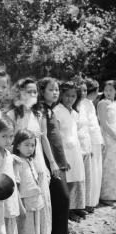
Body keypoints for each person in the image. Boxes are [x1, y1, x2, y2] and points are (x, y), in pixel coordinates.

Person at [7, 78, 54, 234]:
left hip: (39, 162)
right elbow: (8, 142)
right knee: (25, 204)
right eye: (28, 91)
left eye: (35, 92)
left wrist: (52, 163)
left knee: (42, 203)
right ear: (20, 93)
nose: (32, 95)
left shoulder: (39, 114)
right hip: (20, 164)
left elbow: (44, 139)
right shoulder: (12, 115)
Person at [36, 77, 70, 234]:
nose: (55, 92)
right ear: (42, 91)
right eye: (51, 89)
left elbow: (57, 137)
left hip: (58, 158)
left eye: (57, 89)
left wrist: (63, 159)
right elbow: (43, 136)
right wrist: (53, 161)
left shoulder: (52, 109)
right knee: (61, 197)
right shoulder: (42, 109)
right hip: (50, 161)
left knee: (61, 197)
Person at [54, 81, 86, 223]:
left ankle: (70, 210)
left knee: (73, 181)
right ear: (61, 95)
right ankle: (63, 213)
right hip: (64, 151)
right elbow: (57, 135)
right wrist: (61, 157)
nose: (70, 99)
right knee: (65, 183)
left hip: (75, 150)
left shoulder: (74, 112)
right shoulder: (57, 111)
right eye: (67, 95)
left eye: (73, 96)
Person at [13, 129, 44, 234]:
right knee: (26, 233)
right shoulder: (17, 162)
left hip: (35, 201)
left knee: (34, 232)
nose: (30, 148)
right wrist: (20, 206)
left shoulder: (31, 161)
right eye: (26, 145)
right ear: (18, 145)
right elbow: (16, 186)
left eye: (32, 145)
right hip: (25, 202)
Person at [83, 78, 103, 209]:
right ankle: (89, 202)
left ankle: (94, 200)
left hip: (96, 140)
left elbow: (95, 124)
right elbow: (87, 126)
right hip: (90, 142)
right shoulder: (83, 104)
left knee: (97, 171)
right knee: (92, 172)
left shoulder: (90, 103)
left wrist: (100, 140)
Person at [97, 80, 116, 206]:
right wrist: (114, 136)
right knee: (108, 165)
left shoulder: (114, 103)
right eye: (106, 90)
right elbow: (103, 123)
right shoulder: (102, 103)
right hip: (108, 136)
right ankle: (106, 195)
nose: (108, 92)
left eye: (111, 90)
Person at [76, 81, 93, 214]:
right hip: (77, 146)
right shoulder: (74, 106)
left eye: (86, 90)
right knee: (77, 178)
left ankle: (85, 204)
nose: (84, 93)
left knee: (87, 176)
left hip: (86, 143)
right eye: (81, 90)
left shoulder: (86, 105)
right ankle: (75, 207)